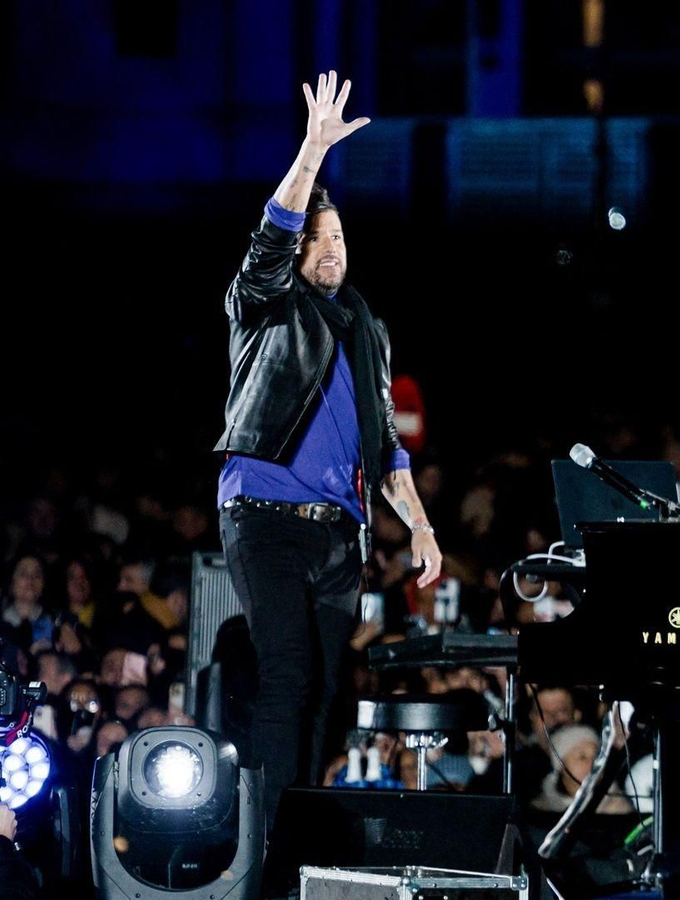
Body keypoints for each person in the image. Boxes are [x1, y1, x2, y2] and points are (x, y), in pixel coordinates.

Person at [212, 71, 443, 830]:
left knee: (326, 689)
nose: (331, 247)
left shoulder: (366, 330)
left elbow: (385, 449)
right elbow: (271, 232)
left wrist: (420, 524)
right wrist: (312, 152)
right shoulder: (266, 305)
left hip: (339, 536)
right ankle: (269, 844)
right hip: (266, 516)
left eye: (338, 235)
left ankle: (300, 832)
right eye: (318, 237)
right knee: (286, 678)